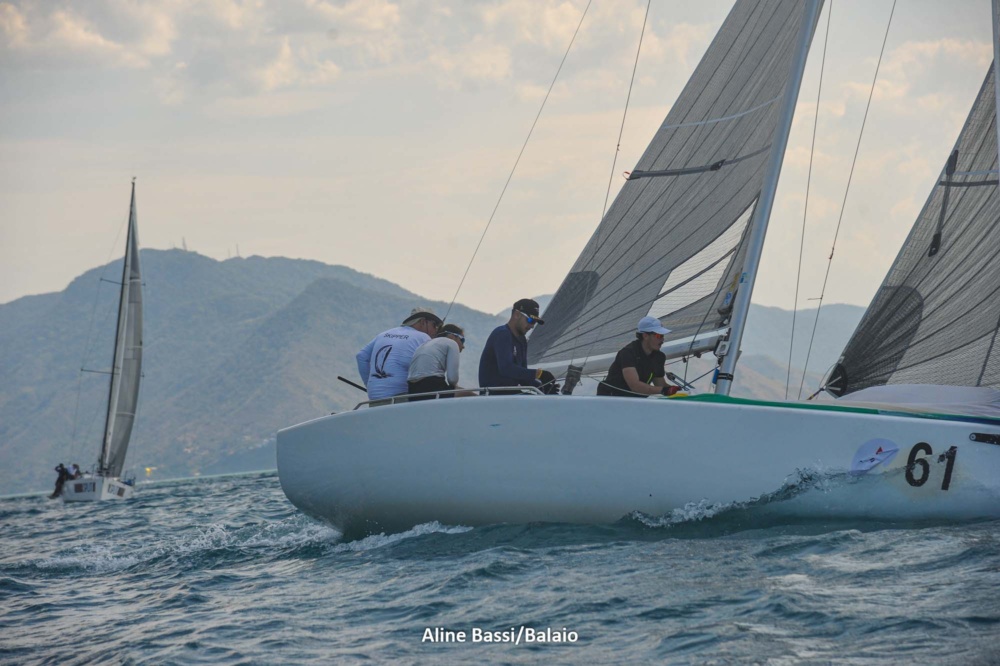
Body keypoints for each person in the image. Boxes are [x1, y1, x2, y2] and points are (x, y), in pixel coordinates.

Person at [357, 307, 443, 401]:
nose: (436, 330)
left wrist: (369, 385)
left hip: (374, 396)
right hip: (400, 397)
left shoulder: (383, 334)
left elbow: (361, 356)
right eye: (434, 325)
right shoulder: (423, 337)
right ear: (422, 322)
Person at [479, 298, 559, 394]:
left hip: (509, 394)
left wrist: (543, 387)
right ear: (517, 314)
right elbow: (506, 368)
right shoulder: (502, 334)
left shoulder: (522, 340)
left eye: (534, 322)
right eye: (530, 320)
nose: (532, 326)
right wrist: (539, 374)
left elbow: (523, 378)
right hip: (492, 395)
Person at [598, 316, 680, 397]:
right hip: (610, 398)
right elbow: (635, 386)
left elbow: (660, 384)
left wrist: (676, 390)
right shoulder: (628, 353)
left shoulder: (659, 357)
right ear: (645, 336)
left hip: (634, 400)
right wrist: (663, 390)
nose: (662, 340)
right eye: (659, 336)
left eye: (663, 336)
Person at [407, 324, 469, 400]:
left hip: (412, 389)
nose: (463, 346)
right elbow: (452, 379)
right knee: (470, 394)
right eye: (462, 340)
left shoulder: (425, 344)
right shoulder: (452, 343)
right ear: (452, 336)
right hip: (431, 385)